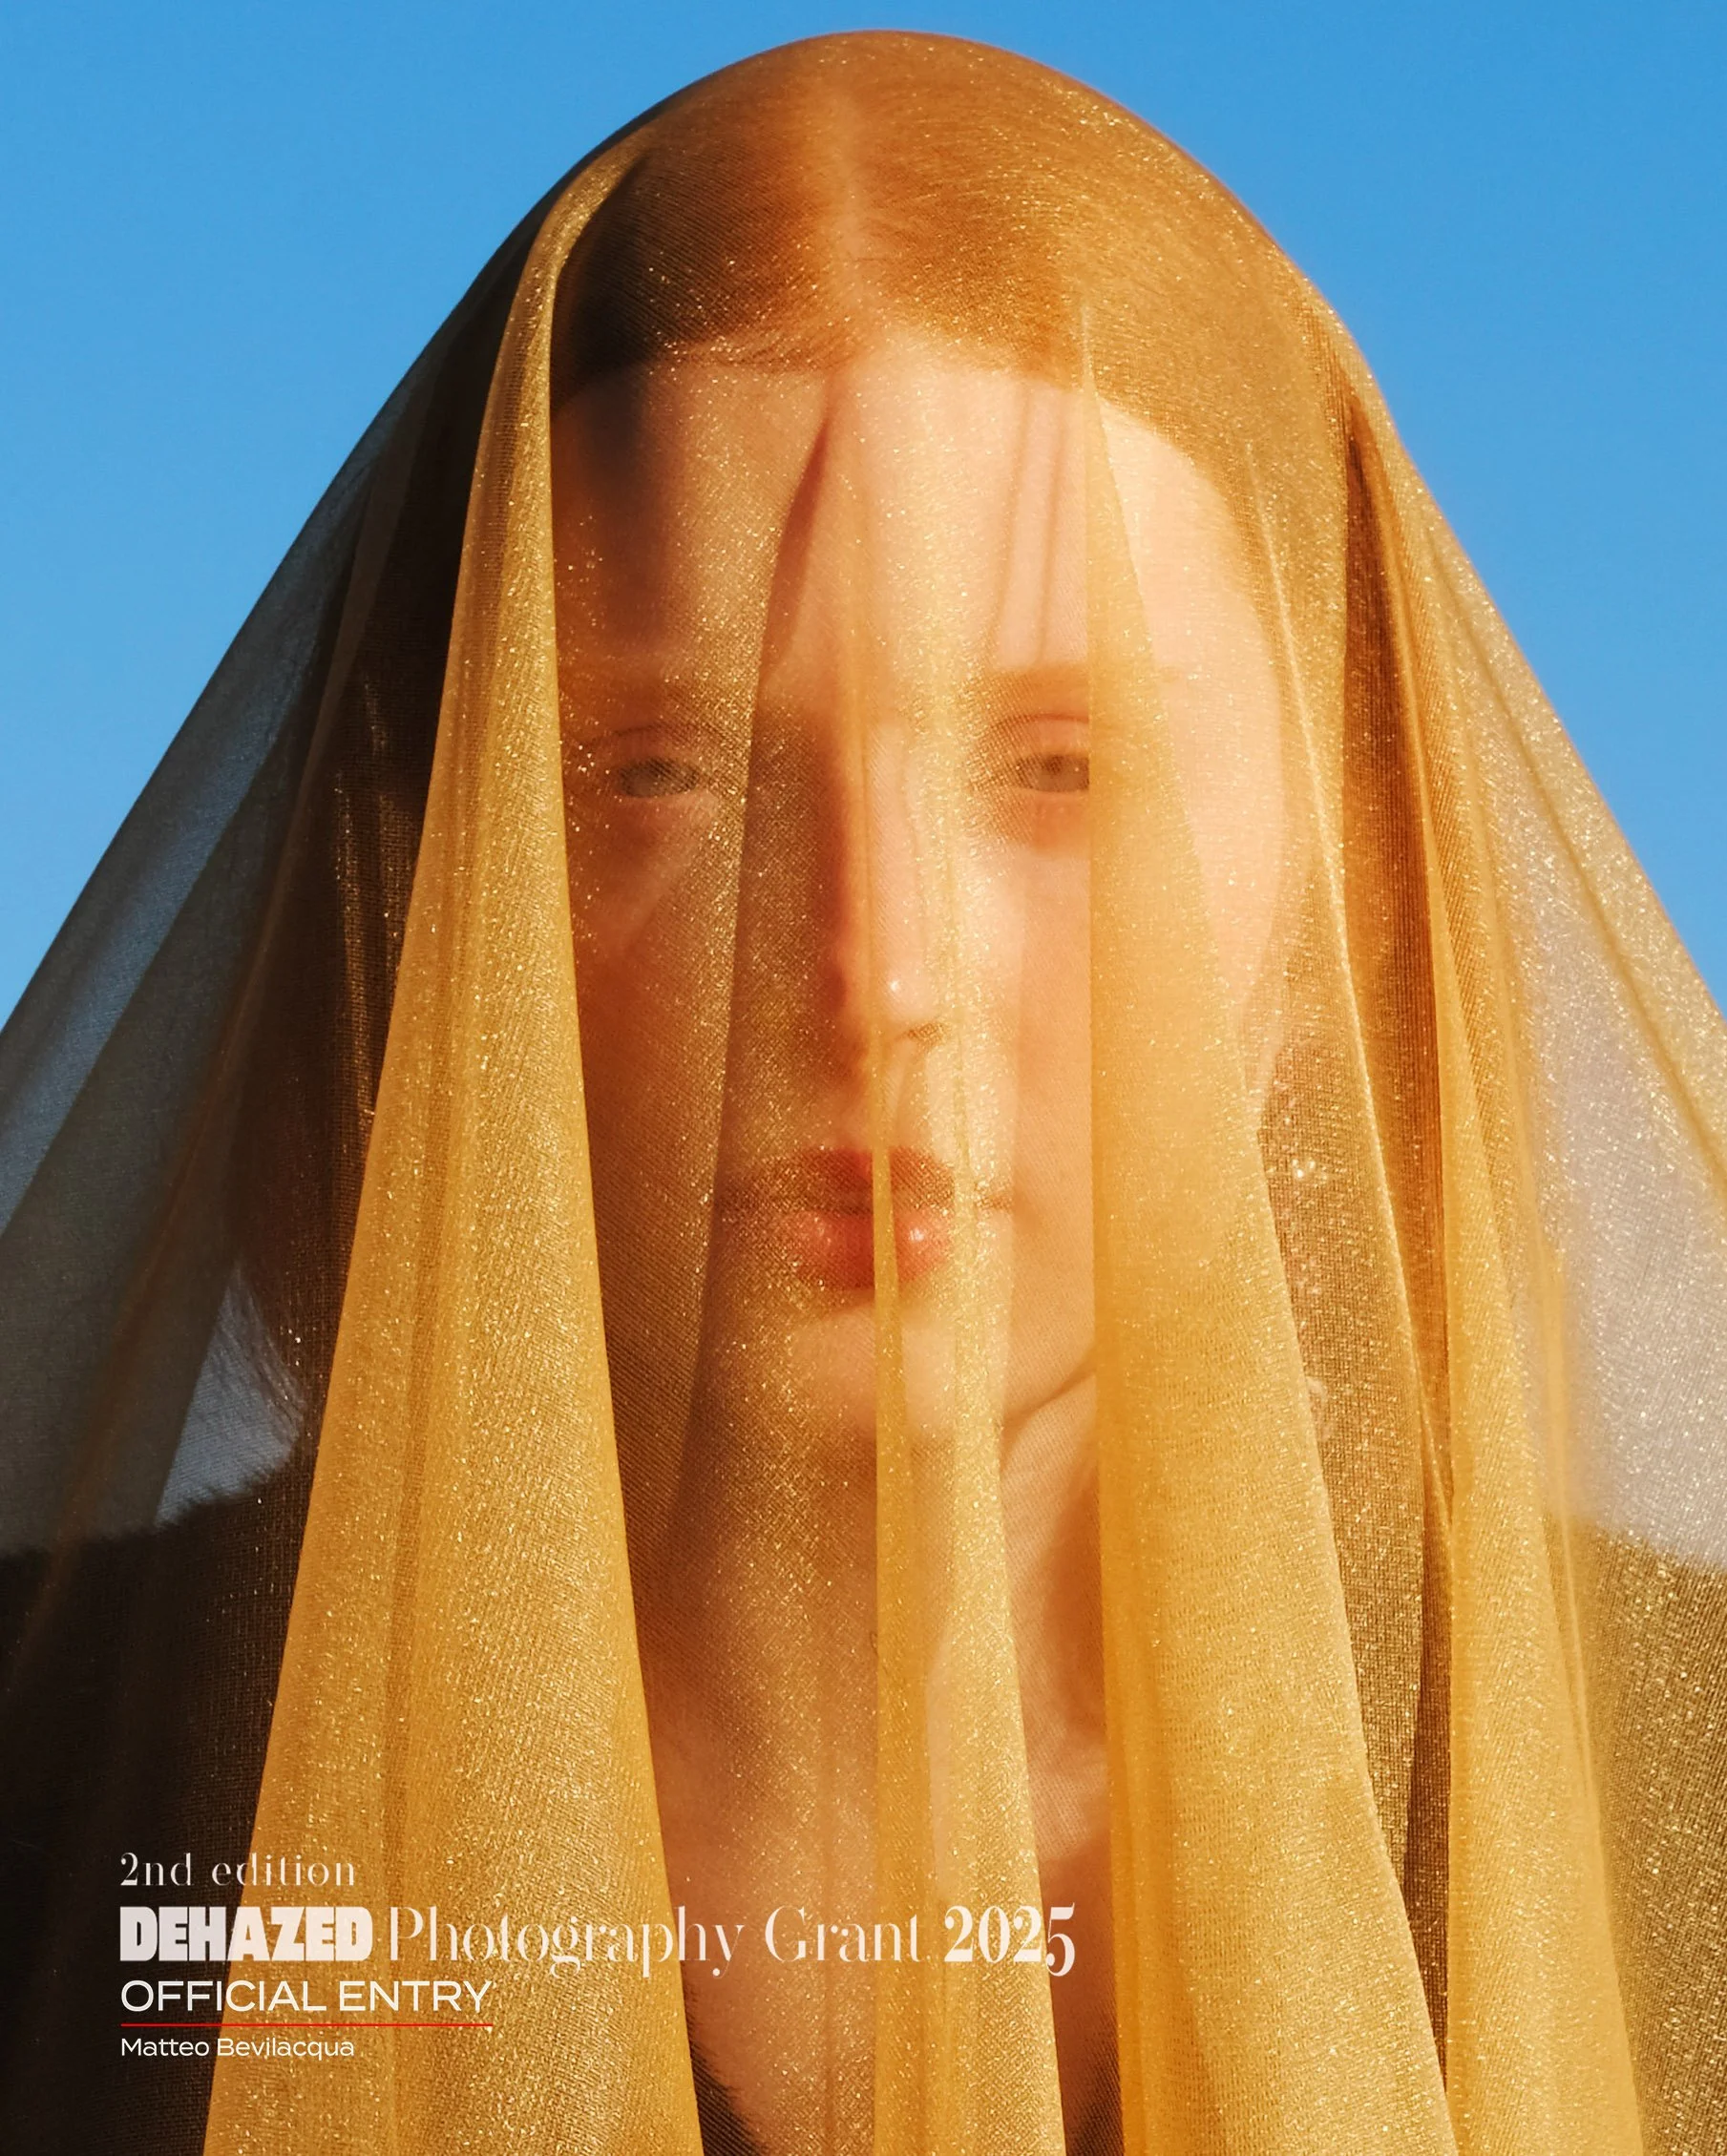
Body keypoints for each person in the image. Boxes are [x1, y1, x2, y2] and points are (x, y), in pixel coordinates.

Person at [1, 32, 1722, 2156]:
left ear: (1349, 877)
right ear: (419, 855)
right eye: (659, 771)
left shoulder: (1692, 1794)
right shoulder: (54, 1784)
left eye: (1060, 768)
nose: (875, 974)